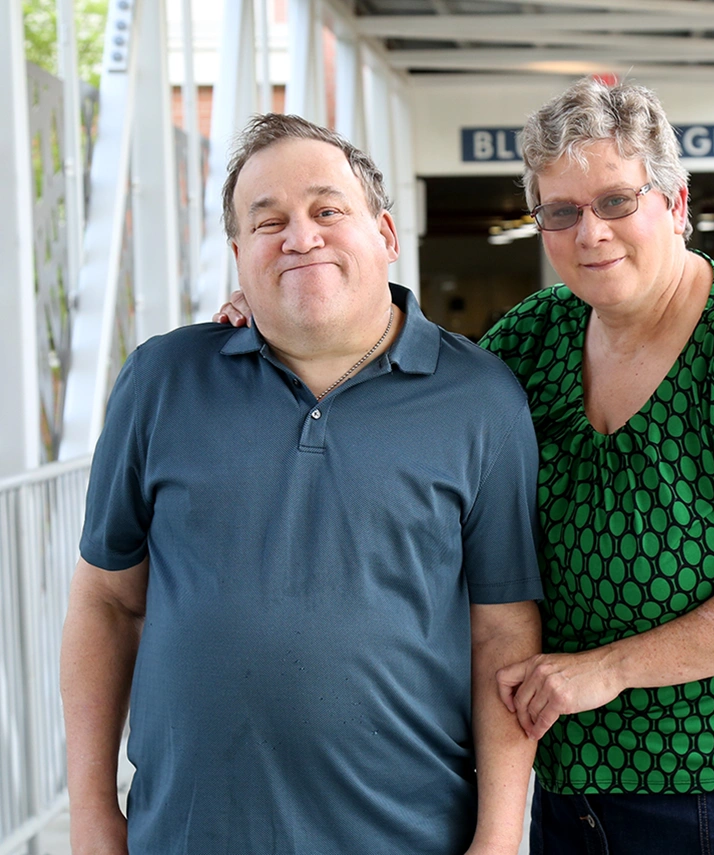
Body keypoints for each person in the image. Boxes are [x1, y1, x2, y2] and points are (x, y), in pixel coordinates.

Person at [217, 79, 714, 854]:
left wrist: (610, 669)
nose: (590, 232)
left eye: (617, 202)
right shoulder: (536, 336)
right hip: (578, 789)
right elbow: (404, 383)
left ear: (675, 203)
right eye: (561, 211)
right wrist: (294, 301)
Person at [61, 113, 543, 855]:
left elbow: (502, 630)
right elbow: (106, 602)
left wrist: (500, 834)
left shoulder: (481, 399)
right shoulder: (161, 380)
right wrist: (92, 812)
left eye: (327, 210)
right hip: (188, 835)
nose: (299, 236)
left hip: (409, 835)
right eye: (268, 221)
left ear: (384, 233)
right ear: (238, 255)